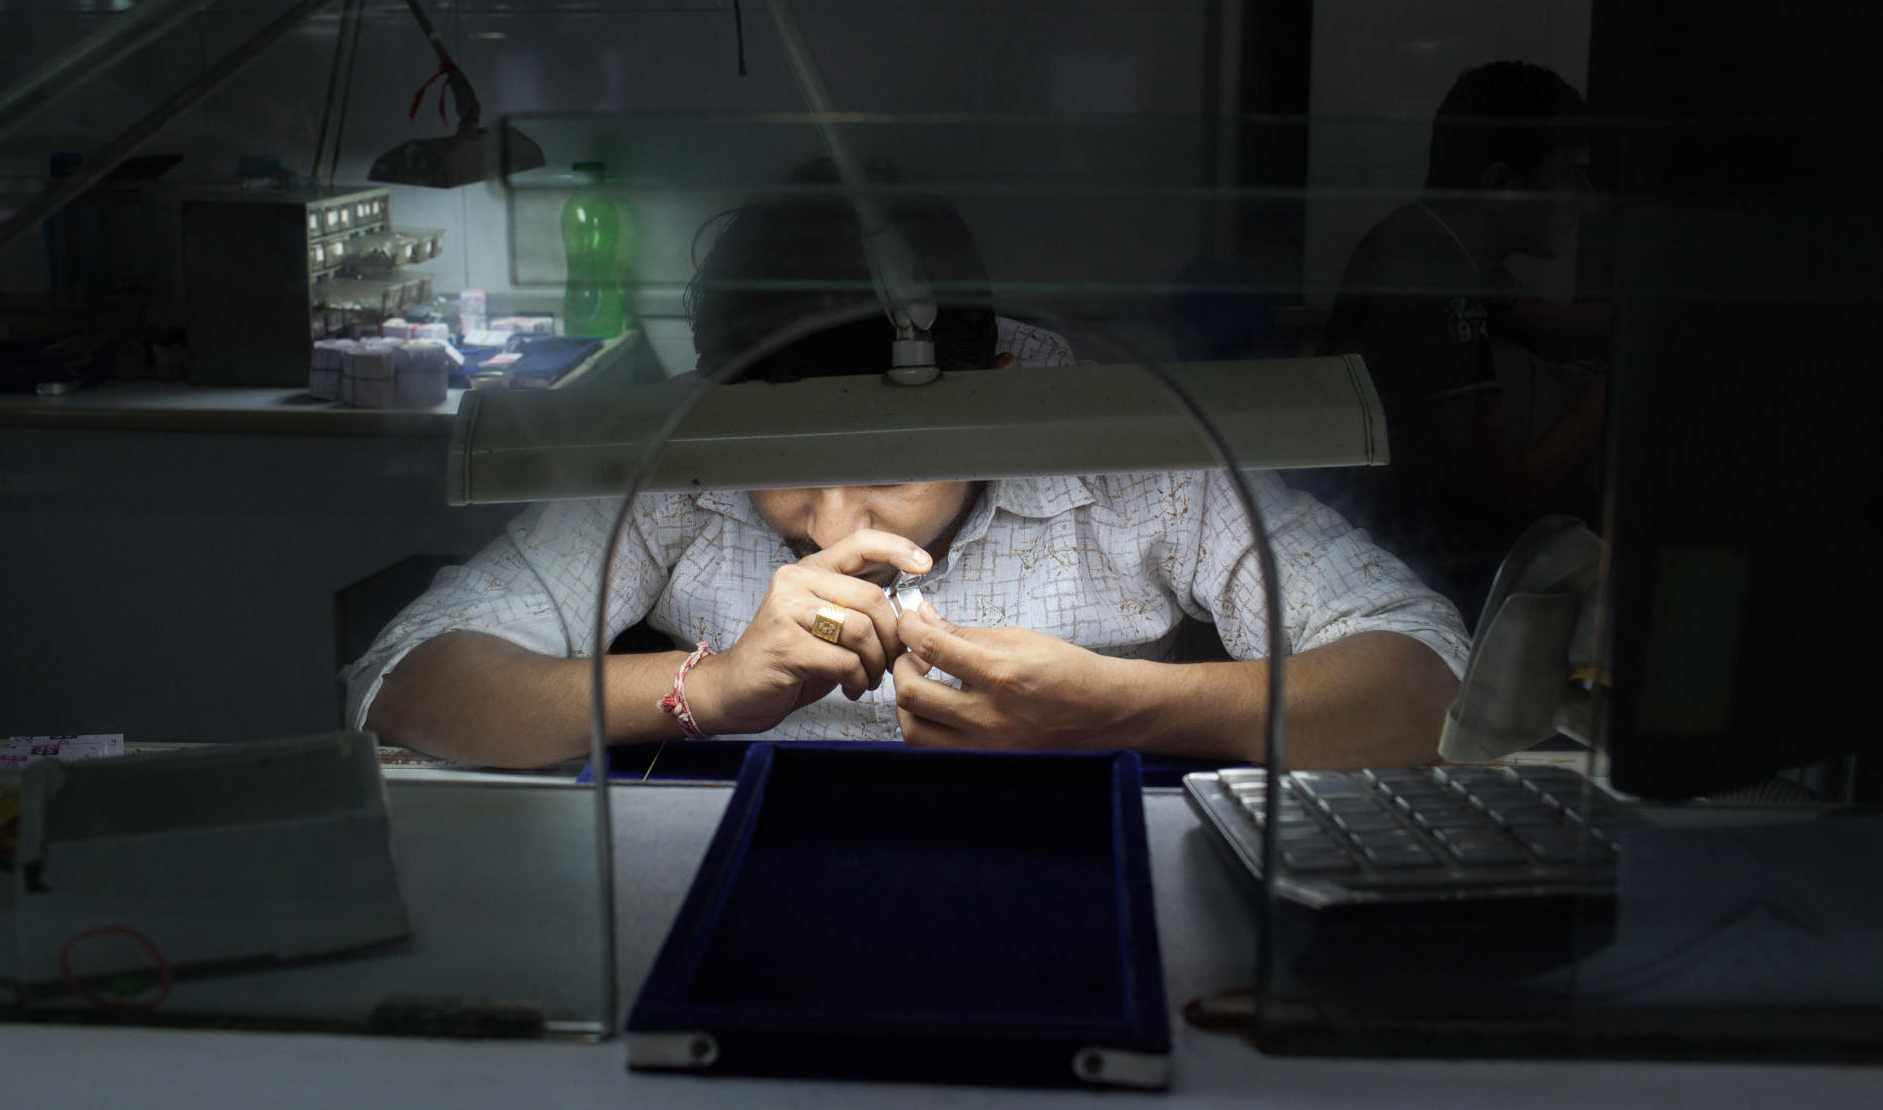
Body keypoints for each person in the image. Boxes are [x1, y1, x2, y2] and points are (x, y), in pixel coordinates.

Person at [349, 175, 1470, 771]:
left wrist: (1125, 709)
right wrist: (712, 688)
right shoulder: (682, 463)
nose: (832, 522)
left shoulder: (1124, 450)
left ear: (985, 381)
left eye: (882, 463)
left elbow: (1428, 684)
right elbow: (406, 682)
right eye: (781, 471)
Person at [1314, 61, 1608, 623]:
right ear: (1500, 185)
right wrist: (1621, 384)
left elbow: (1554, 330)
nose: (1588, 203)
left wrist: (1672, 315)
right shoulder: (1432, 273)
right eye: (1570, 177)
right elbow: (1510, 495)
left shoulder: (1433, 237)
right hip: (1407, 564)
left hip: (1414, 538)